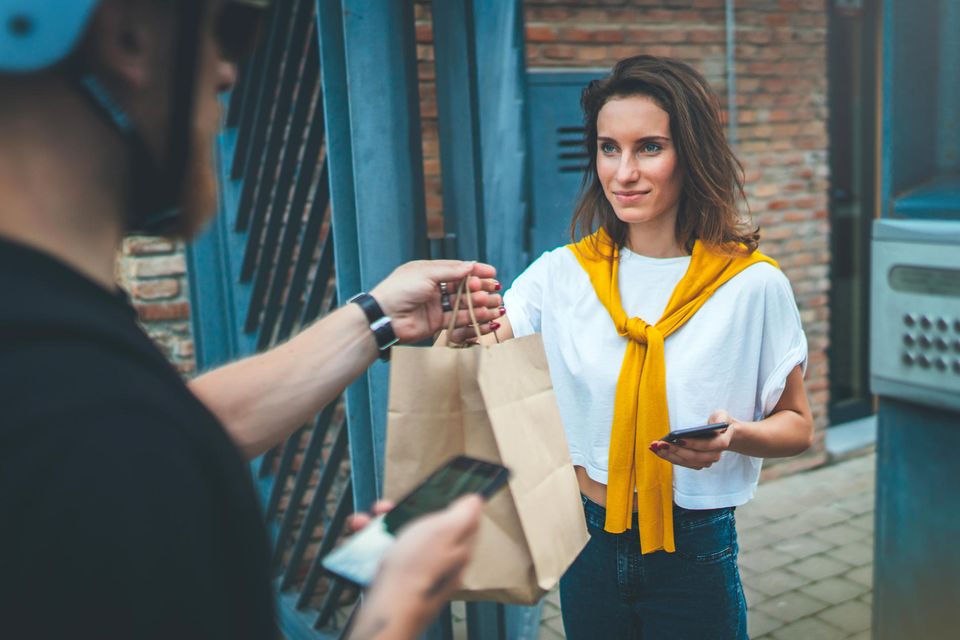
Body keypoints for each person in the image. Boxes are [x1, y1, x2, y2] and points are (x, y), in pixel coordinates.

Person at [0, 0, 503, 638]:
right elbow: (133, 437)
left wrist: (374, 318)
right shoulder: (94, 438)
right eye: (227, 30)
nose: (226, 73)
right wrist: (394, 608)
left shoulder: (51, 358)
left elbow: (182, 422)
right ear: (128, 38)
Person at [443, 55, 814, 639]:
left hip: (693, 548)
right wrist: (453, 318)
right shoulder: (563, 275)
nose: (623, 172)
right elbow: (479, 342)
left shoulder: (751, 284)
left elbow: (797, 424)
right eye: (609, 148)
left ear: (690, 155)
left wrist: (736, 436)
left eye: (649, 148)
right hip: (588, 540)